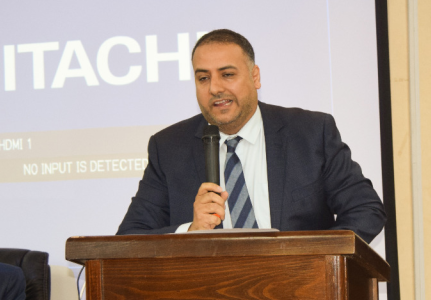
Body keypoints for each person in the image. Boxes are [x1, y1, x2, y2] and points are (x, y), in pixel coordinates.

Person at [117, 29, 386, 241]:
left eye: (227, 74)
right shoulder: (168, 148)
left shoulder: (310, 133)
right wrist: (191, 231)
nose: (215, 88)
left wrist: (312, 263)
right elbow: (130, 237)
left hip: (300, 288)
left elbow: (366, 210)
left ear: (255, 77)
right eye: (203, 78)